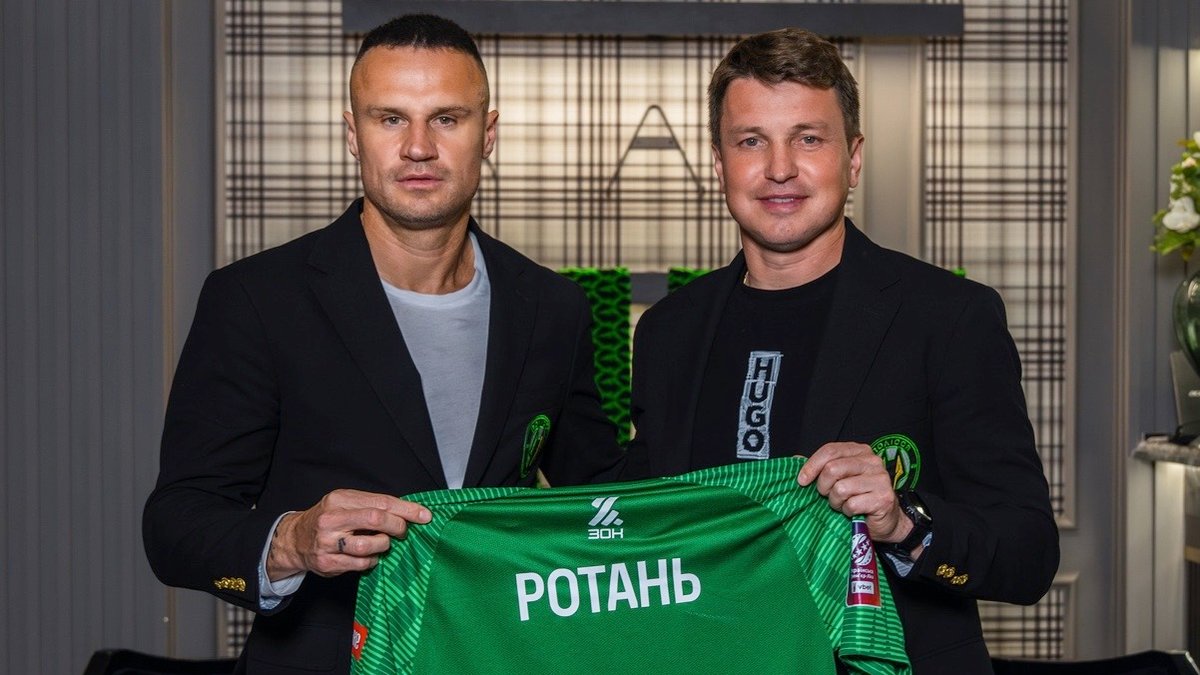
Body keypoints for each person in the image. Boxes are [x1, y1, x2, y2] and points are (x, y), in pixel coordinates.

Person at [143, 14, 624, 674]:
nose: (418, 146)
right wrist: (291, 539)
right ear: (353, 134)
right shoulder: (257, 299)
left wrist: (756, 502)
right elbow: (175, 524)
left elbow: (604, 497)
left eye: (446, 118)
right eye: (390, 118)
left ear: (488, 134)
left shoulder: (552, 307)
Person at [625, 27, 1059, 673]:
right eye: (751, 141)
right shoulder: (668, 331)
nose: (779, 168)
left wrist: (903, 522)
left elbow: (1029, 554)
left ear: (853, 159)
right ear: (719, 164)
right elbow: (640, 524)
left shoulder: (947, 317)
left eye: (808, 138)